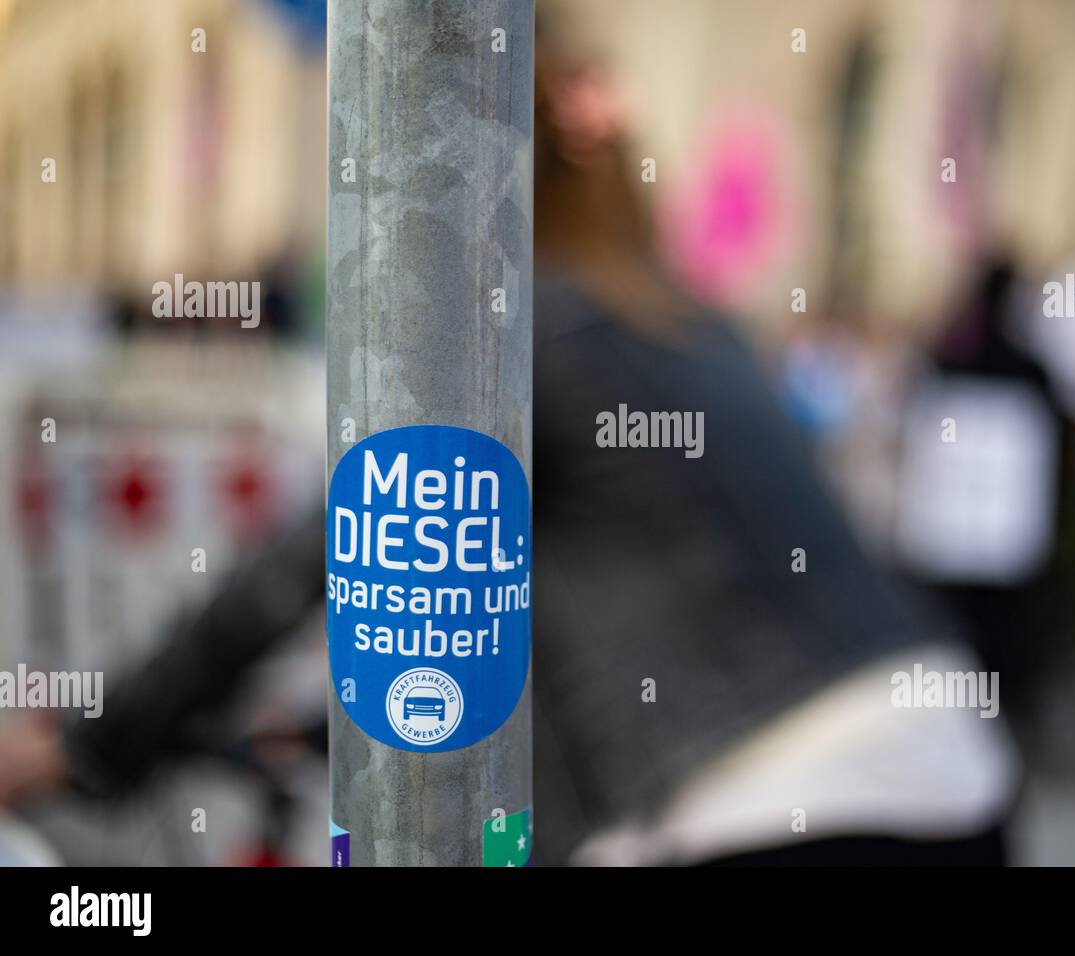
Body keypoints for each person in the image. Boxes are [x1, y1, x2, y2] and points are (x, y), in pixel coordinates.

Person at [0, 14, 1019, 865]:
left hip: (766, 805)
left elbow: (320, 559)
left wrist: (89, 744)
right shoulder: (685, 317)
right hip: (953, 771)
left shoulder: (515, 341)